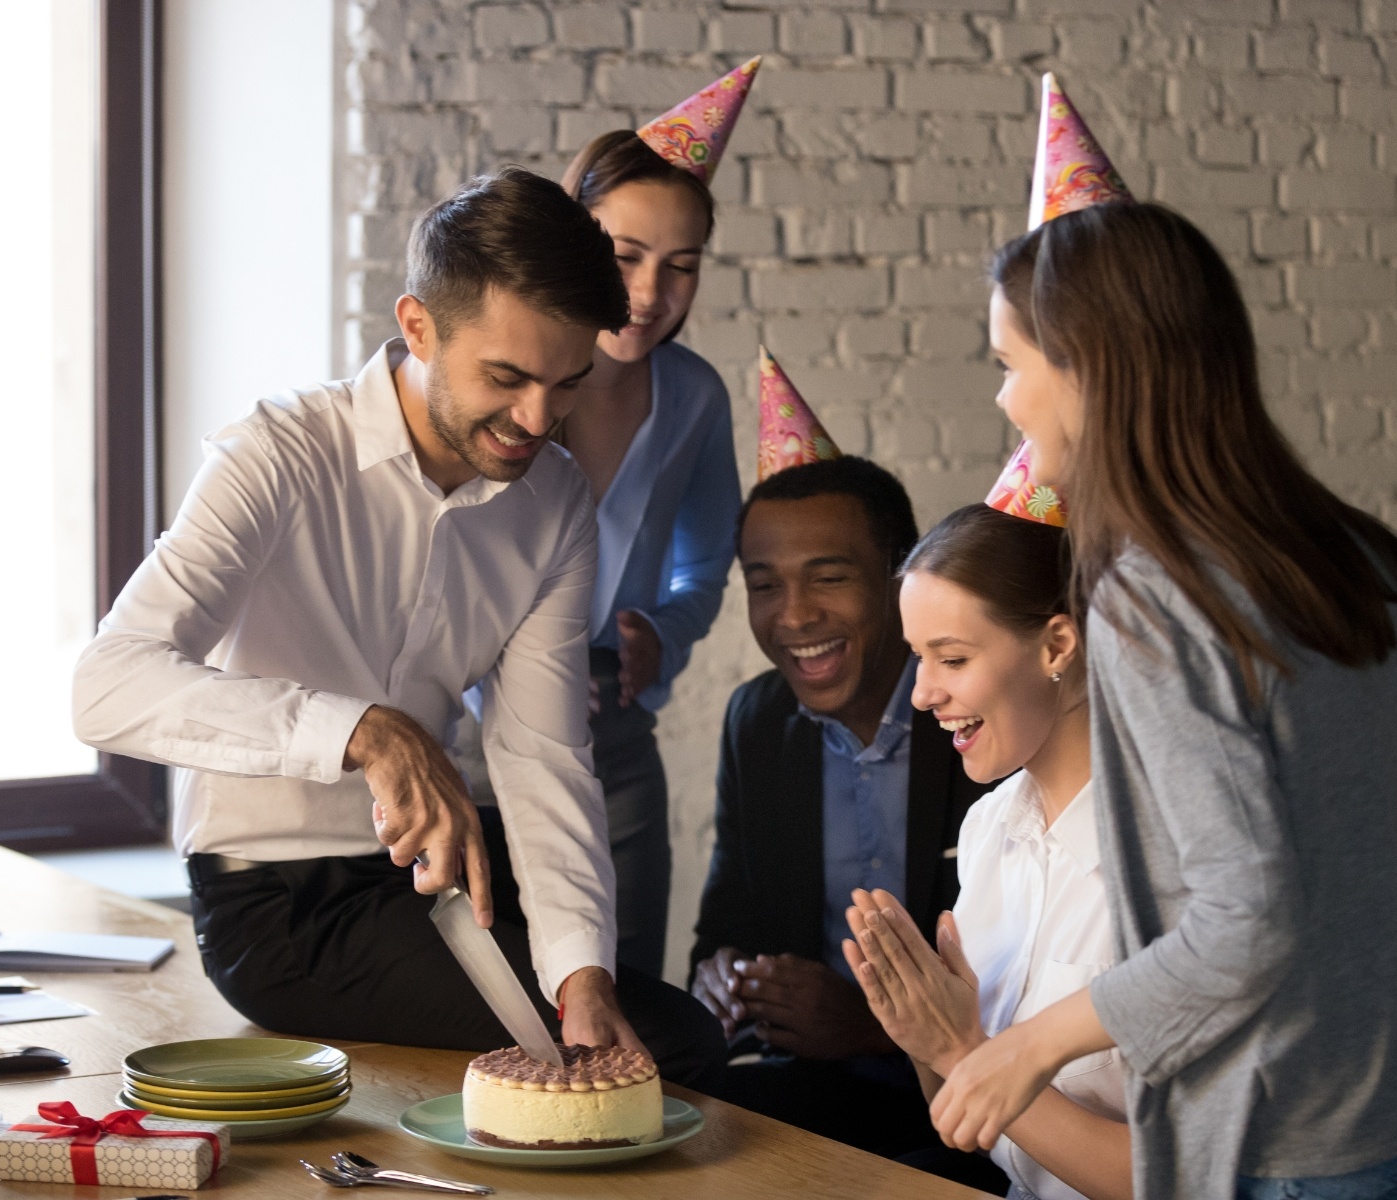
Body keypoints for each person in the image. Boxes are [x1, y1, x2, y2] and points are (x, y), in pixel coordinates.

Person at [924, 198, 1397, 1199]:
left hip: (1290, 1141)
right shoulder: (1325, 540)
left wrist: (1025, 1052)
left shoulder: (1147, 593)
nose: (1006, 401)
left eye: (1011, 366)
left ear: (1088, 368)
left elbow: (1245, 924)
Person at [71, 166, 725, 1092]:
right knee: (684, 1047)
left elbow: (541, 753)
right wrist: (364, 733)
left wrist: (579, 972)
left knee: (652, 1038)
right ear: (417, 326)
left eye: (566, 382)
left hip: (436, 875)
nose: (538, 420)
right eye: (506, 377)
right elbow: (107, 687)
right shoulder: (279, 455)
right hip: (280, 906)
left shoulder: (555, 502)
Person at [688, 365, 990, 1177]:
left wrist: (863, 1022)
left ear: (901, 575)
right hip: (812, 1092)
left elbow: (1047, 984)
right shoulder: (758, 723)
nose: (793, 616)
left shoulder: (978, 720)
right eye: (764, 585)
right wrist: (724, 980)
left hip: (979, 1101)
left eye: (828, 576)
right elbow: (724, 927)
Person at [521, 57, 755, 978]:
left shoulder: (694, 398)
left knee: (629, 1000)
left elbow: (707, 568)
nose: (651, 293)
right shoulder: (513, 382)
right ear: (574, 239)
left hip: (614, 736)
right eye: (624, 257)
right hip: (472, 742)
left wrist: (661, 632)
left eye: (681, 266)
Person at [843, 501, 1131, 1200]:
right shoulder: (988, 829)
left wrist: (966, 1050)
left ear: (1058, 645)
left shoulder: (1164, 861)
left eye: (952, 658)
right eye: (918, 658)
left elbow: (1191, 1179)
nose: (921, 694)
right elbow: (964, 1127)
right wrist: (925, 1033)